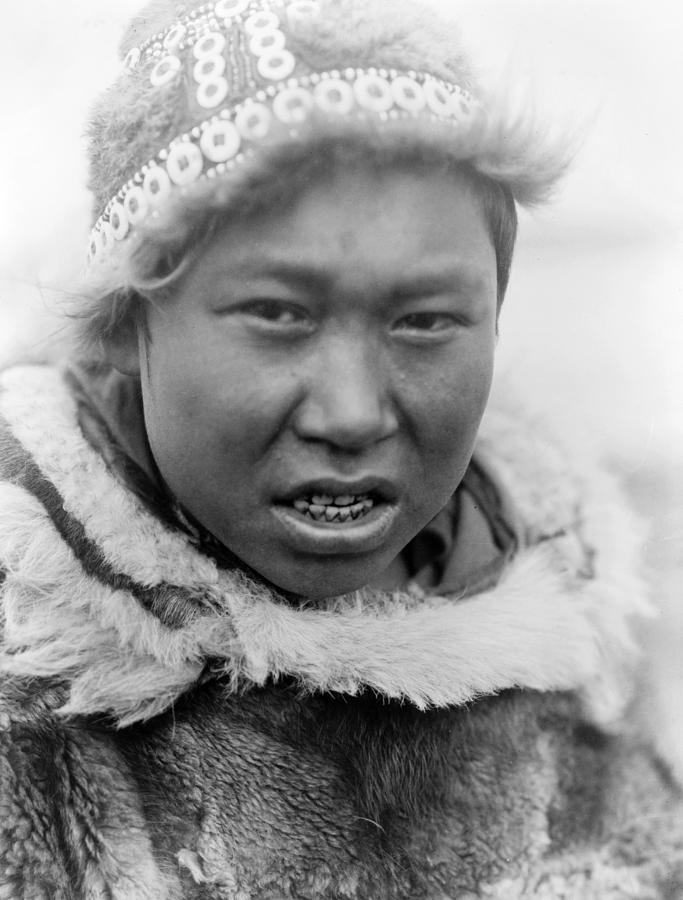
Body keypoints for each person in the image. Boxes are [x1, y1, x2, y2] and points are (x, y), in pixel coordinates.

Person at [0, 0, 681, 897]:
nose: (354, 414)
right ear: (128, 324)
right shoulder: (32, 700)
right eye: (278, 314)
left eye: (426, 320)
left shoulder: (588, 643)